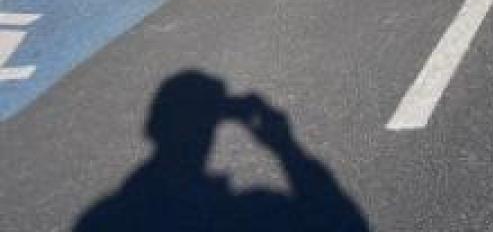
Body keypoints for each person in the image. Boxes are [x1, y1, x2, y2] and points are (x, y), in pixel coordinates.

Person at [74, 70, 368, 231]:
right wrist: (286, 148)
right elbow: (344, 223)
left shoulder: (103, 219)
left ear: (152, 127)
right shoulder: (250, 212)